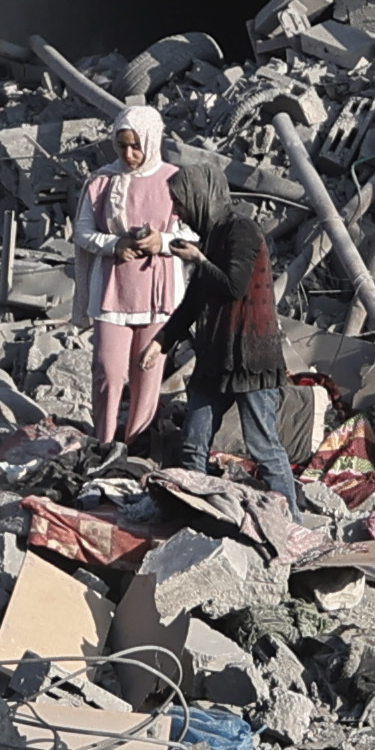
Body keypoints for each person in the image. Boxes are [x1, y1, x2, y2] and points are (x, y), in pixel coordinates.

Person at [74, 107, 194, 447]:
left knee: (148, 373)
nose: (129, 154)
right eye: (122, 146)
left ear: (152, 141)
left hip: (158, 296)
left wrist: (164, 242)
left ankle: (135, 445)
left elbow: (195, 234)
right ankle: (103, 442)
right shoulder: (102, 182)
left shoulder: (175, 180)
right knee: (108, 372)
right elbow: (82, 232)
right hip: (113, 292)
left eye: (136, 146)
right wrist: (114, 244)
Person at [182, 174, 303, 498]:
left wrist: (199, 260)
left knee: (264, 448)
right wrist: (158, 344)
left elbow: (233, 285)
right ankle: (193, 512)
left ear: (200, 197)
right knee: (193, 443)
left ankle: (291, 526)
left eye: (181, 204)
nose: (179, 213)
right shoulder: (210, 236)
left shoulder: (242, 230)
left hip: (250, 356)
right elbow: (193, 300)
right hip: (216, 360)